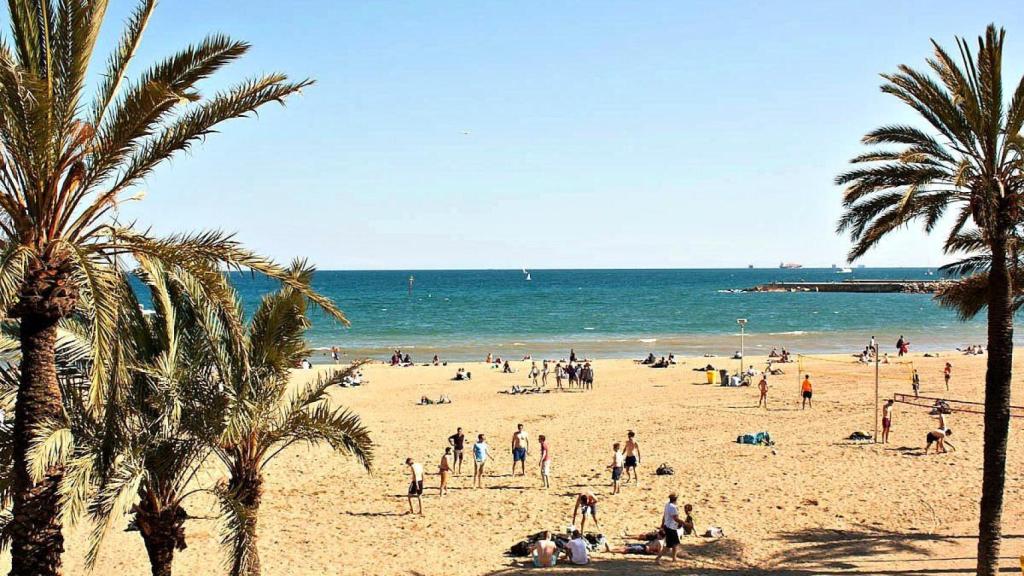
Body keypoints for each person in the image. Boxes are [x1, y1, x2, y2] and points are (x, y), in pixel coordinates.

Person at [656, 493, 683, 563]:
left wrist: (662, 525)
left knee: (675, 544)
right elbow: (676, 518)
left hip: (668, 526)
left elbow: (664, 515)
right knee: (668, 547)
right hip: (671, 528)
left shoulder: (667, 505)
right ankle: (658, 558)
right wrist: (684, 523)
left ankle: (674, 558)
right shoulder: (673, 507)